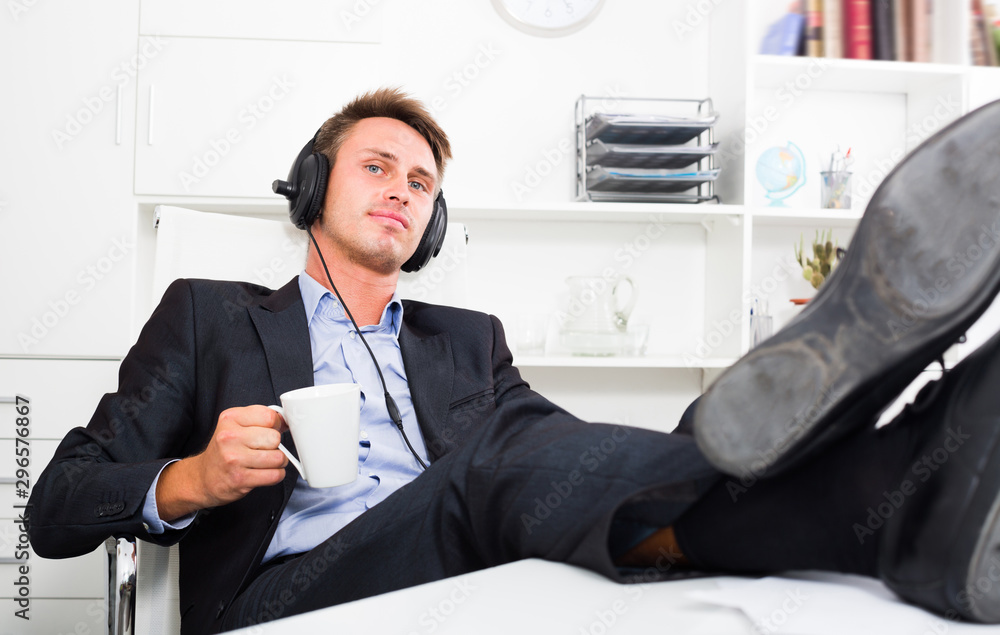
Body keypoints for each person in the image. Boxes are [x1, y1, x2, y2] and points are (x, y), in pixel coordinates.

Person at [27, 88, 1000, 633]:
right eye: (377, 167)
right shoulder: (209, 316)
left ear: (434, 221)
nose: (403, 192)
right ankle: (885, 442)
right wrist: (188, 478)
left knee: (532, 445)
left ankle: (900, 491)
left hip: (460, 541)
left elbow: (561, 455)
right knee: (493, 463)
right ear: (315, 185)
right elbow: (56, 506)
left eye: (422, 183)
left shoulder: (466, 335)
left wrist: (649, 471)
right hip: (281, 589)